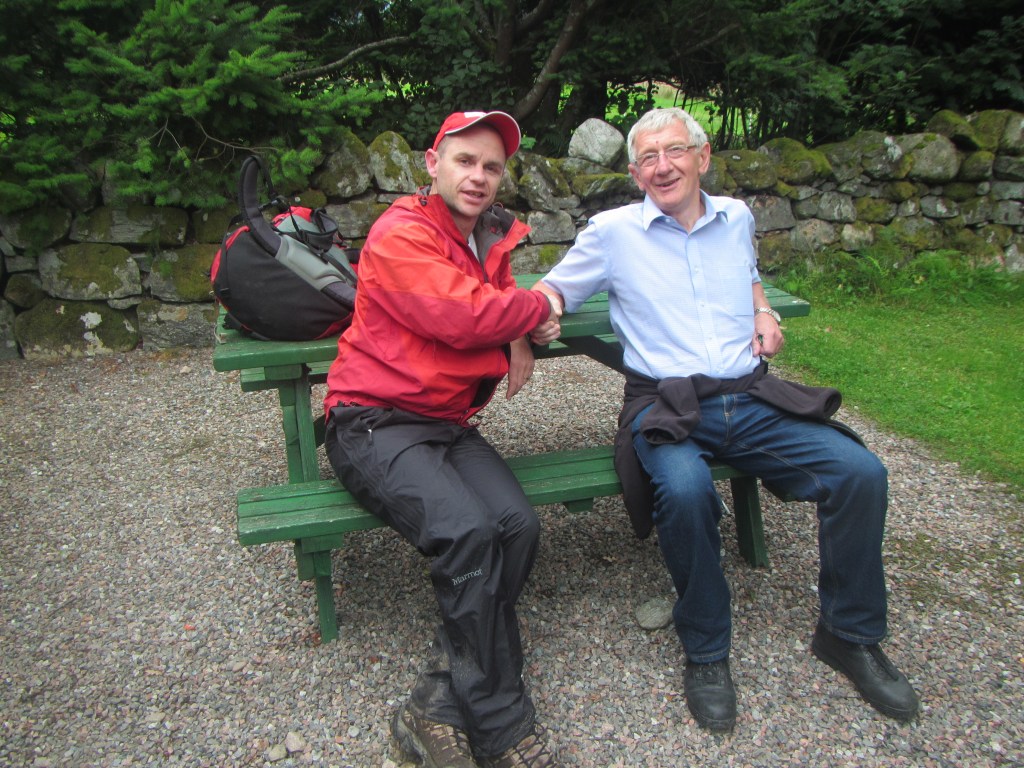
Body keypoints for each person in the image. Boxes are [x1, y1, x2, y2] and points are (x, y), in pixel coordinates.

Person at [535, 107, 919, 732]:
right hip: (667, 402)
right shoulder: (611, 232)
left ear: (703, 157)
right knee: (685, 491)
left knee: (860, 474)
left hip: (750, 395)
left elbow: (746, 275)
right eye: (649, 159)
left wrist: (764, 309)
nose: (664, 167)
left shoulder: (735, 216)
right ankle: (707, 649)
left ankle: (849, 634)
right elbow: (554, 290)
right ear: (635, 173)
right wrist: (534, 320)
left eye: (675, 151)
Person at [323, 111, 562, 767]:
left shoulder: (487, 238)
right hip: (372, 420)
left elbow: (494, 298)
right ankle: (505, 726)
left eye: (491, 165)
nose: (479, 176)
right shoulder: (401, 233)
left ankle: (433, 703)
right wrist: (537, 310)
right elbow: (462, 315)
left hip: (446, 425)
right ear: (433, 163)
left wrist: (515, 325)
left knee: (516, 527)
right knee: (467, 533)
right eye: (465, 161)